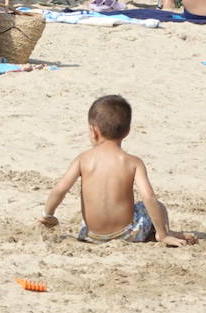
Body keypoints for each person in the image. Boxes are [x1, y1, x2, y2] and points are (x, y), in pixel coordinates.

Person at [38, 95, 197, 247]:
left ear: (93, 131)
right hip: (127, 233)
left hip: (90, 234)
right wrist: (162, 233)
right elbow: (149, 197)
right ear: (127, 131)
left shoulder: (82, 159)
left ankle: (157, 232)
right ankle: (162, 233)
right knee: (158, 206)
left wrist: (48, 215)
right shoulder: (133, 162)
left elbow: (60, 189)